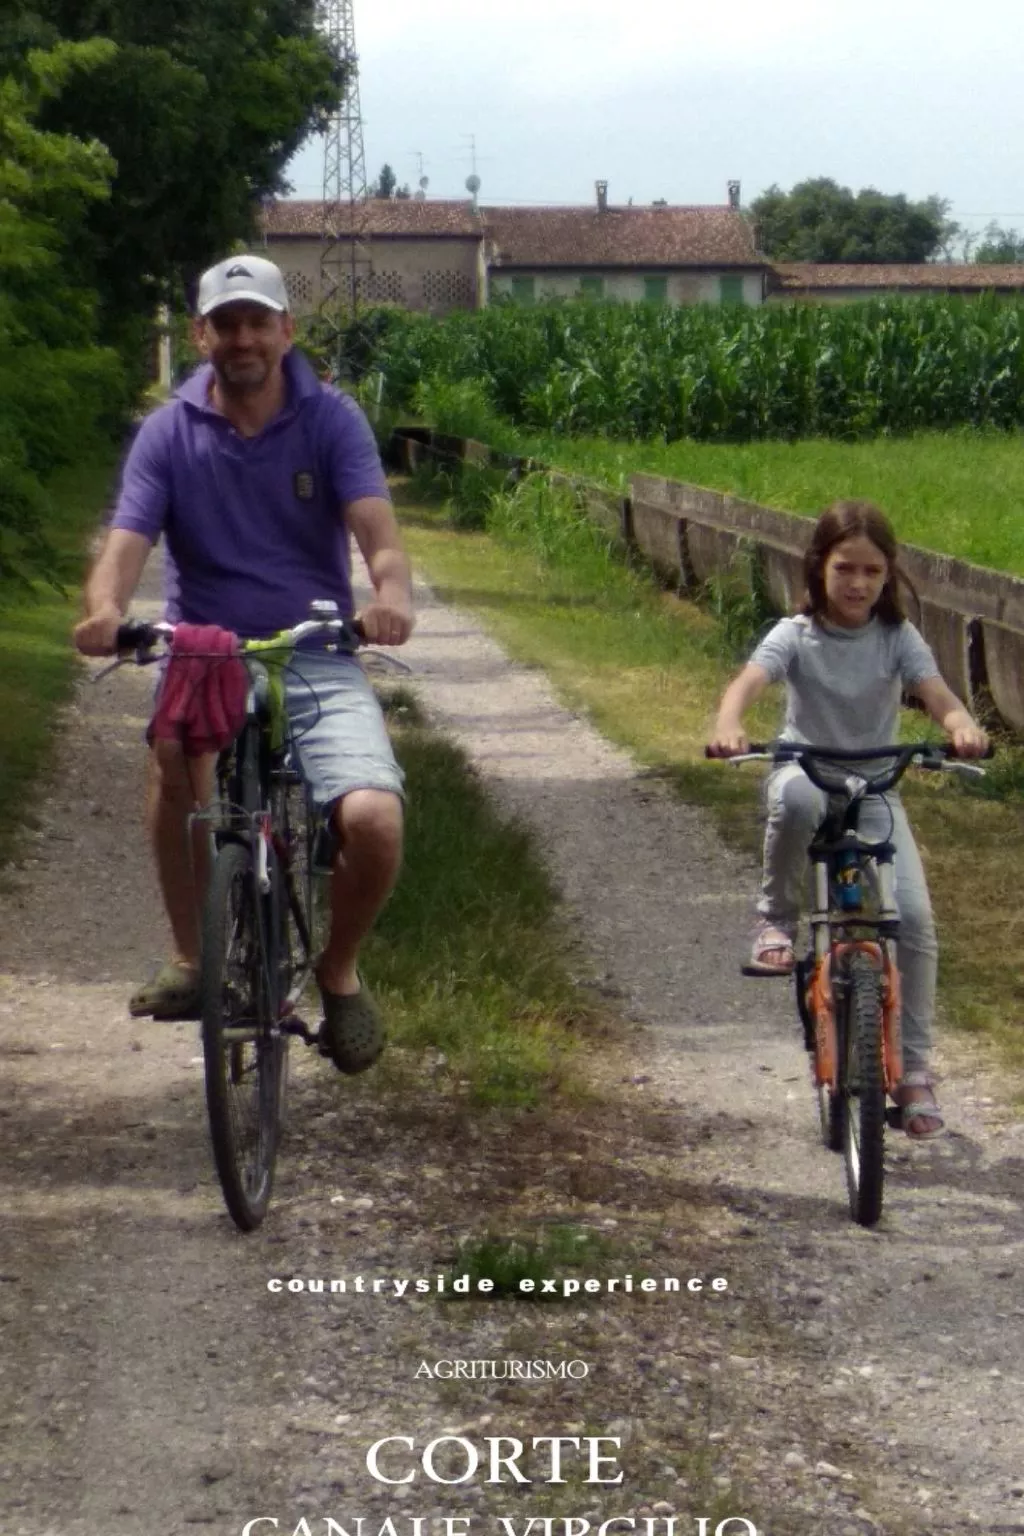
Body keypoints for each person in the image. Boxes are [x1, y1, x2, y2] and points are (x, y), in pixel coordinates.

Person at [73, 253, 414, 1074]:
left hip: (316, 651)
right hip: (204, 650)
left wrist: (390, 596)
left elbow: (378, 532)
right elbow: (126, 541)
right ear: (201, 336)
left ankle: (338, 971)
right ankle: (194, 958)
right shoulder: (168, 431)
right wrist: (105, 611)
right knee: (171, 753)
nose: (243, 338)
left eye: (258, 321)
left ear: (286, 331)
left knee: (373, 820)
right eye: (226, 324)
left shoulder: (331, 420)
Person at [707, 500, 989, 1139]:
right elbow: (749, 681)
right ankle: (775, 920)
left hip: (874, 787)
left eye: (872, 571)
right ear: (818, 568)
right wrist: (729, 724)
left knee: (913, 919)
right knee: (799, 801)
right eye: (845, 569)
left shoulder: (897, 639)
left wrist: (960, 723)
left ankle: (914, 1072)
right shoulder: (795, 634)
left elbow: (937, 693)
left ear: (889, 576)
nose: (858, 583)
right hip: (806, 770)